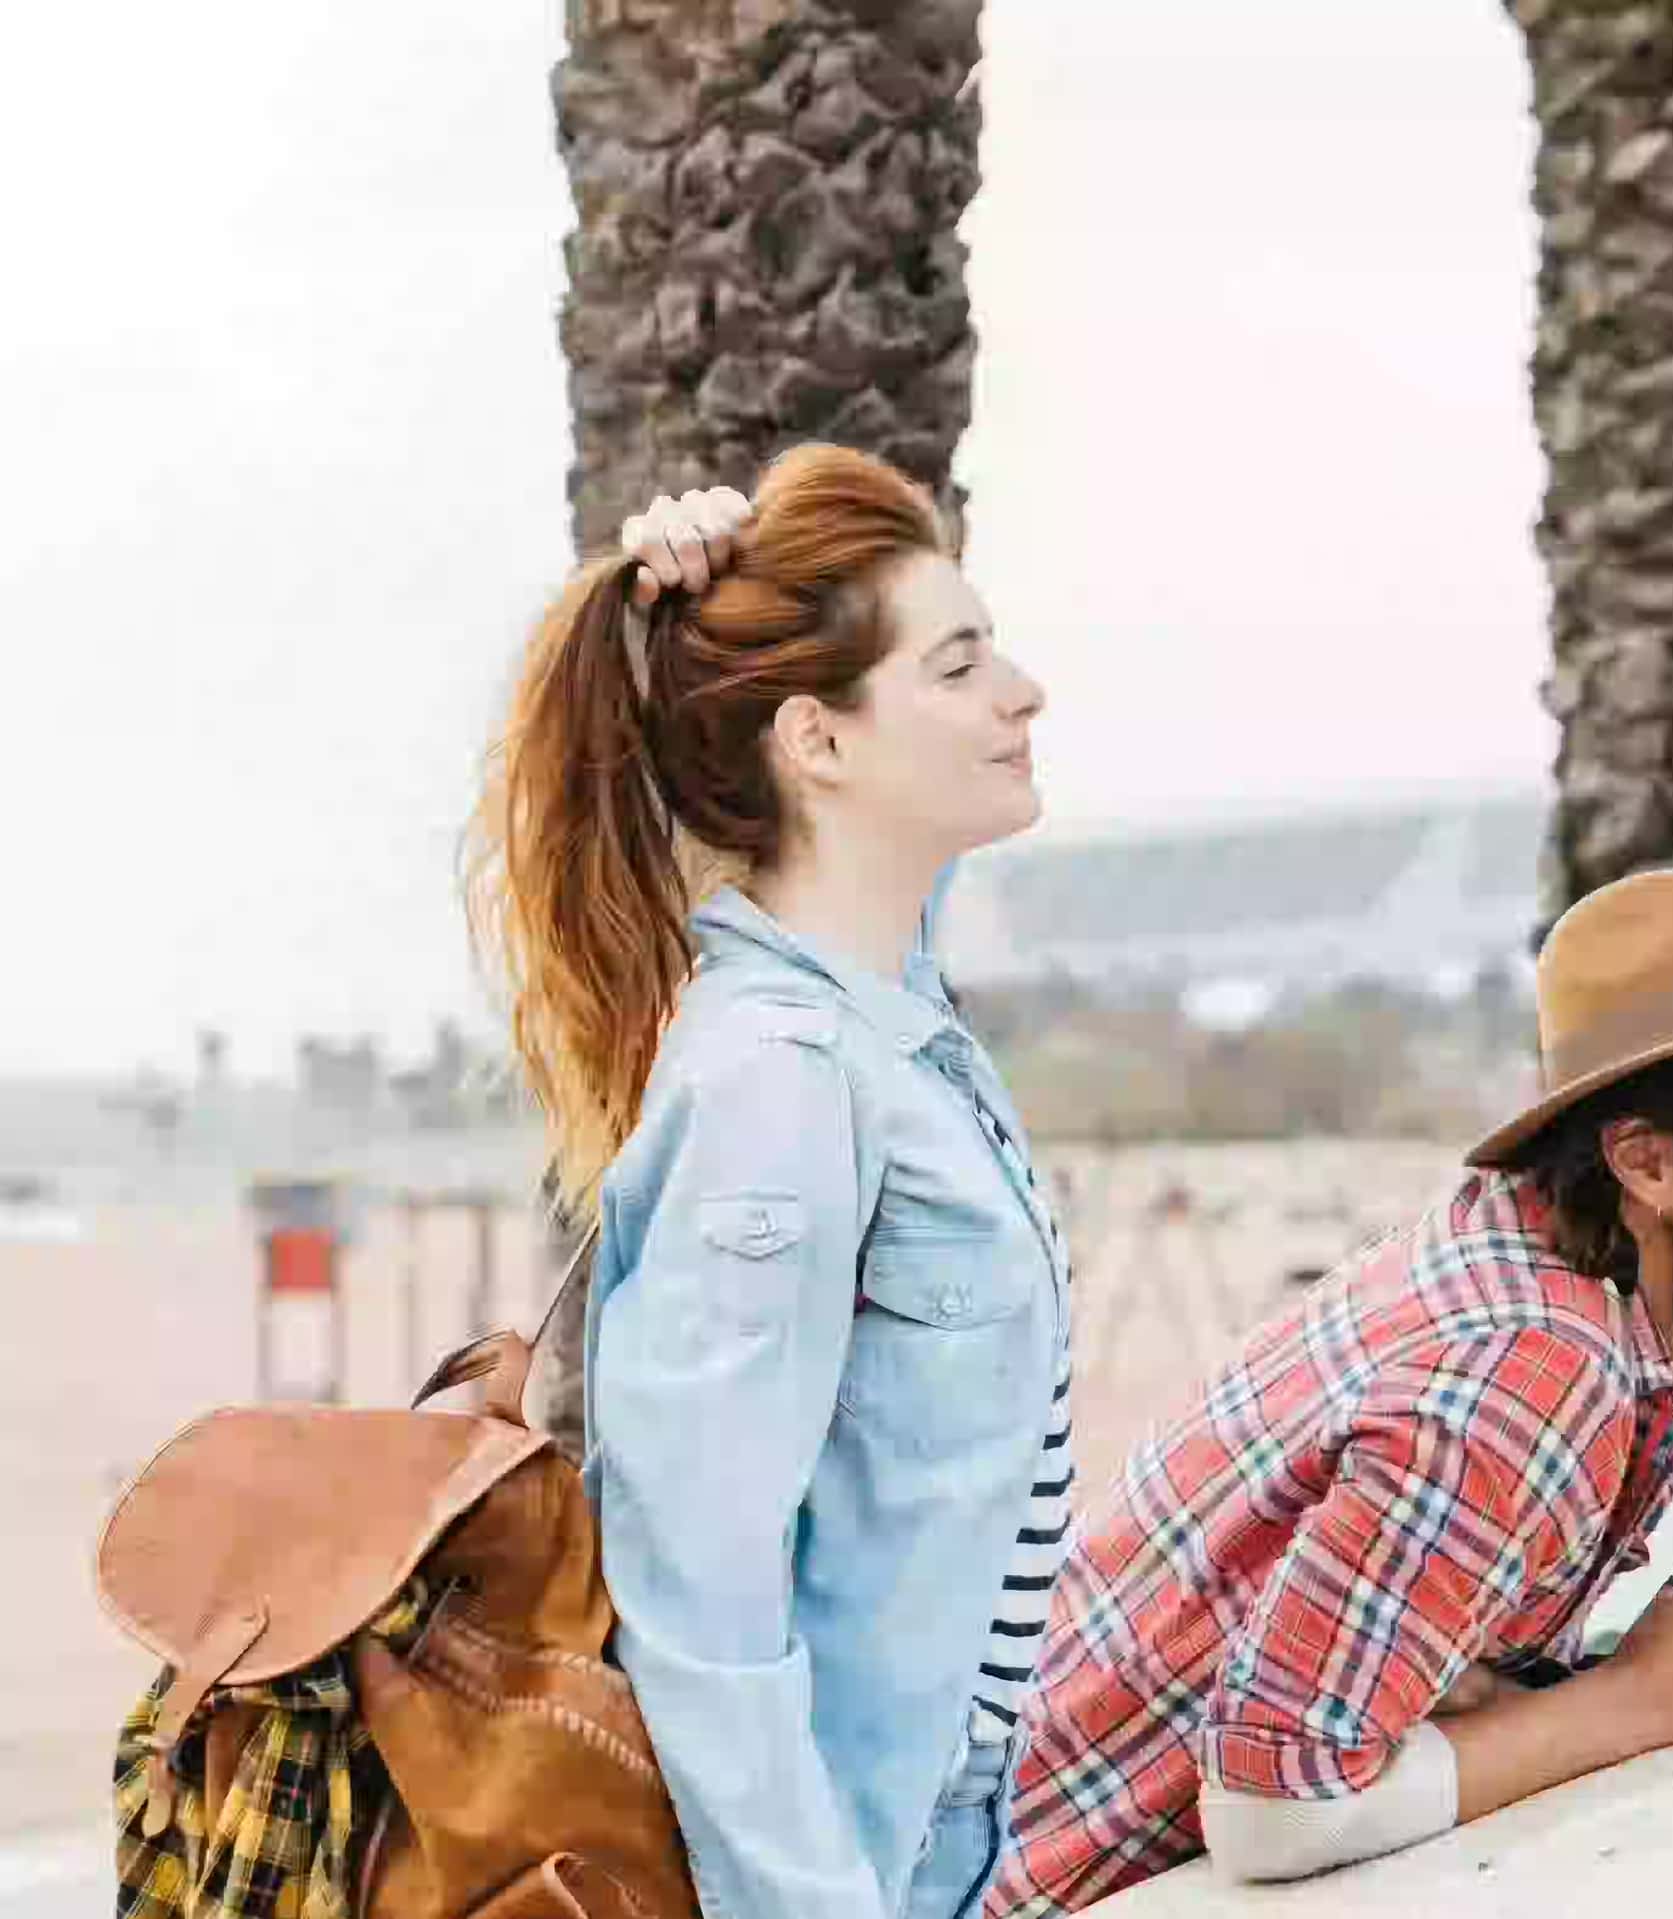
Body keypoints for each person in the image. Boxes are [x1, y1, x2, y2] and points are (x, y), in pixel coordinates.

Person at [982, 856, 1673, 1915]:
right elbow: (1269, 1811)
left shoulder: (1647, 1296)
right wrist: (1645, 1695)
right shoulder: (1527, 1370)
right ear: (1647, 1163)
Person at [465, 449, 1070, 1919]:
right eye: (961, 664)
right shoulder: (779, 1084)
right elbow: (697, 1592)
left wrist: (712, 596)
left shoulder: (887, 1020)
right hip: (839, 1863)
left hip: (933, 1823)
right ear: (819, 740)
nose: (1025, 692)